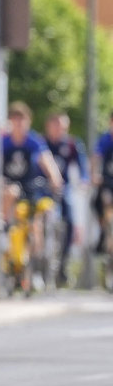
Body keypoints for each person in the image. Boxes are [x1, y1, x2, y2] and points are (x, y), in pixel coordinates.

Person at [0, 102, 63, 290]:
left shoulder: (34, 141)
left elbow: (47, 162)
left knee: (36, 223)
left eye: (22, 120)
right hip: (10, 188)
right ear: (10, 121)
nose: (19, 124)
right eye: (15, 120)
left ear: (28, 122)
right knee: (9, 194)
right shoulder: (4, 142)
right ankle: (3, 229)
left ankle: (34, 268)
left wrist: (55, 180)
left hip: (31, 189)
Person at [44, 111, 90, 286]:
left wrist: (84, 179)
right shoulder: (42, 144)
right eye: (55, 125)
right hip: (43, 189)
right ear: (48, 126)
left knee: (70, 220)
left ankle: (63, 261)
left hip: (64, 189)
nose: (58, 129)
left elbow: (82, 165)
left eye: (62, 126)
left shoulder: (71, 144)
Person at [93, 111, 113, 254]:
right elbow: (96, 157)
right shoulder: (105, 140)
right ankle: (103, 230)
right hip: (107, 182)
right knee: (100, 202)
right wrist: (94, 174)